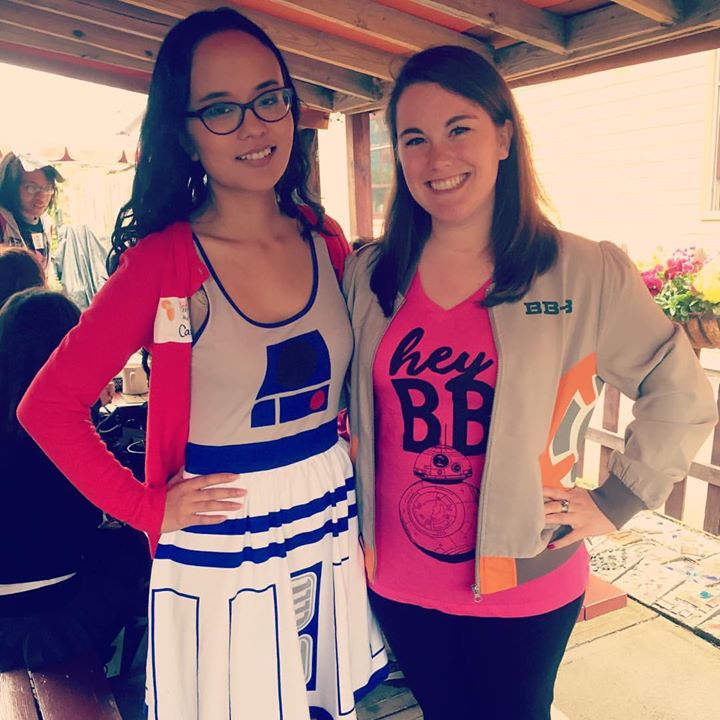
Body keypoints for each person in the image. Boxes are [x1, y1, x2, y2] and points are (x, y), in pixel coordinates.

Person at [19, 8, 387, 719]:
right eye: (220, 108)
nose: (254, 126)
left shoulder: (327, 239)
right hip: (224, 534)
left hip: (326, 509)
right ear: (185, 134)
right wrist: (144, 507)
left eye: (268, 97)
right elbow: (48, 406)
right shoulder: (162, 262)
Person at [342, 45, 718, 720]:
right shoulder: (368, 275)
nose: (437, 157)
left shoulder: (583, 271)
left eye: (459, 128)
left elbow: (680, 390)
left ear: (504, 137)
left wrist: (619, 497)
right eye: (414, 138)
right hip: (398, 578)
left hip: (525, 580)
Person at [0, 288, 149, 671]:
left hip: (18, 616)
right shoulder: (59, 430)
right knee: (135, 547)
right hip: (55, 619)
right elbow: (91, 517)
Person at [0, 152, 63, 269]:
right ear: (11, 187)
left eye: (47, 188)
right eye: (31, 188)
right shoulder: (2, 222)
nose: (42, 197)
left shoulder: (45, 224)